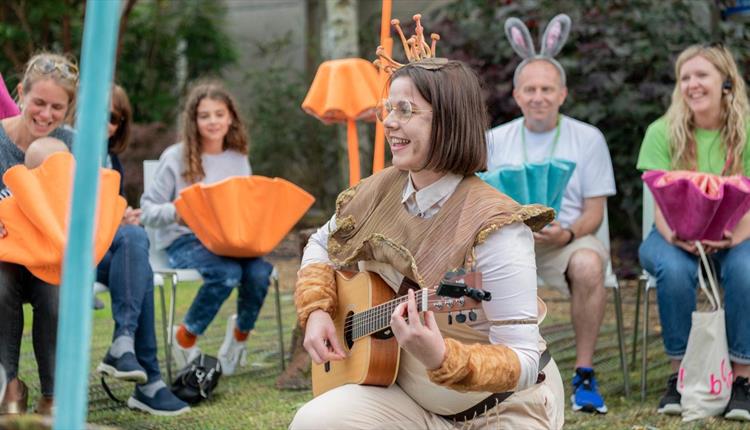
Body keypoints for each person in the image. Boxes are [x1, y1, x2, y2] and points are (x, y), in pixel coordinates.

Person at [290, 15, 564, 429]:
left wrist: (442, 357)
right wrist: (317, 311)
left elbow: (525, 358)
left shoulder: (496, 226)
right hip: (410, 404)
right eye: (389, 109)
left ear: (449, 121)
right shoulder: (377, 190)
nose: (389, 122)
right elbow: (319, 246)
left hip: (504, 410)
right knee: (313, 422)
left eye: (406, 110)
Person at [486, 14, 616, 414]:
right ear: (517, 95)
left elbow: (595, 210)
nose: (538, 96)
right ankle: (499, 373)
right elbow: (480, 204)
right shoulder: (495, 140)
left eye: (547, 88)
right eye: (530, 89)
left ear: (562, 94)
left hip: (567, 239)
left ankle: (584, 373)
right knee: (472, 270)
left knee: (590, 266)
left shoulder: (587, 138)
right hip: (510, 241)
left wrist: (568, 234)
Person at [638, 43, 750, 421]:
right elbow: (660, 205)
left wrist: (734, 237)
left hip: (737, 233)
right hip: (673, 233)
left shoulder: (746, 131)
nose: (692, 84)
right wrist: (676, 237)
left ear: (726, 83)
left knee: (744, 271)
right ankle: (678, 375)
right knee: (674, 270)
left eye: (702, 75)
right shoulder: (661, 131)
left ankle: (742, 380)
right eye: (685, 77)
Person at [141, 80, 273, 376]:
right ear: (194, 120)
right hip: (185, 240)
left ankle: (238, 339)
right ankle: (184, 337)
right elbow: (148, 209)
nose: (212, 121)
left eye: (219, 114)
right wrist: (181, 213)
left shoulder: (238, 157)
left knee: (259, 273)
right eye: (204, 115)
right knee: (227, 275)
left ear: (231, 118)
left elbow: (244, 205)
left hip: (231, 241)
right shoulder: (175, 157)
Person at [95, 84, 189, 416]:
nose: (104, 123)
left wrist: (122, 216)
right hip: (67, 253)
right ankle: (149, 382)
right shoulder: (61, 149)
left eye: (113, 118)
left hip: (104, 249)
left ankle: (124, 344)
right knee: (139, 262)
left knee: (135, 242)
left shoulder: (112, 162)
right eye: (96, 112)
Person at [0, 52, 77, 416]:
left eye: (57, 107)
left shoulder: (72, 144)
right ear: (20, 94)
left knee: (54, 294)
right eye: (39, 102)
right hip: (5, 257)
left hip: (49, 258)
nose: (46, 115)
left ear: (68, 109)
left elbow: (90, 200)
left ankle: (53, 394)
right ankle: (9, 384)